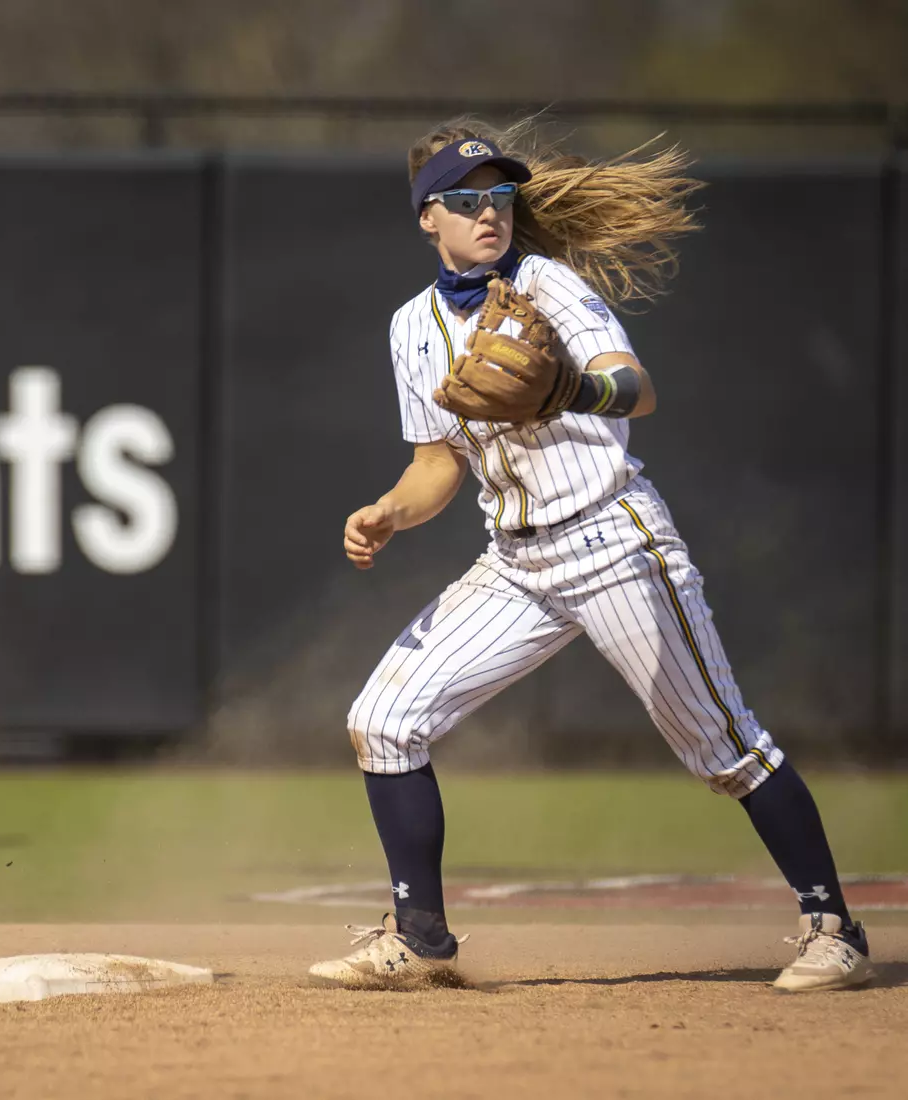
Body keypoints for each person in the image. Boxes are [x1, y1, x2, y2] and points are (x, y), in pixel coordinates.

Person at [309, 119, 871, 993]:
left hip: (612, 540)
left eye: (500, 195)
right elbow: (435, 465)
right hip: (515, 563)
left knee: (723, 748)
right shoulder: (410, 328)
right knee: (383, 721)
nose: (489, 211)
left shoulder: (547, 285)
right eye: (465, 198)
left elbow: (637, 389)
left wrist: (573, 387)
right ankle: (419, 938)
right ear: (429, 217)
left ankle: (832, 926)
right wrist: (387, 511)